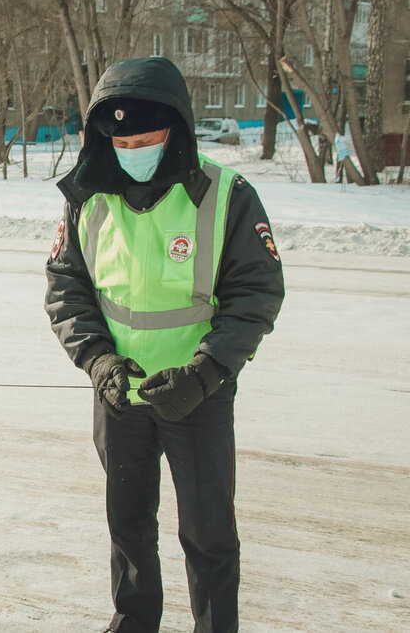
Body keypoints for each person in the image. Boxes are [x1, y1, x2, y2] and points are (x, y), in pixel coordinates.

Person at [44, 57, 284, 633]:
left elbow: (257, 293)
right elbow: (66, 286)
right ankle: (133, 623)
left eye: (146, 138)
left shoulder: (227, 193)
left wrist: (204, 374)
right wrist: (98, 361)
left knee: (208, 533)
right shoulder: (89, 195)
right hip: (120, 394)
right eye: (122, 139)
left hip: (196, 395)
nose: (133, 149)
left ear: (176, 129)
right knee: (128, 524)